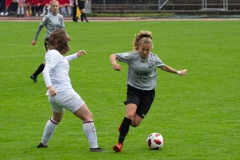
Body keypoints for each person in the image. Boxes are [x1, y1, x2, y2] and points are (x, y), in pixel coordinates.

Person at [109, 30, 187, 152]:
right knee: (129, 115)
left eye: (147, 50)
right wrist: (114, 63)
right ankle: (119, 144)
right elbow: (113, 55)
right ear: (138, 47)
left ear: (150, 49)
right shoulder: (132, 56)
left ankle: (124, 125)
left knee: (134, 123)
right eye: (143, 49)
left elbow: (164, 67)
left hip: (148, 94)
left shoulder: (154, 58)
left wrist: (178, 72)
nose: (145, 52)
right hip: (134, 90)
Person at [37, 28, 106, 152]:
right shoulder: (54, 54)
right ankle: (94, 147)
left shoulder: (52, 54)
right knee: (88, 116)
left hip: (54, 96)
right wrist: (50, 86)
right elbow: (46, 70)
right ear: (58, 41)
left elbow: (61, 62)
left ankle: (43, 143)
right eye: (65, 38)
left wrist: (76, 55)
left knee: (56, 118)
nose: (67, 41)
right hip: (63, 92)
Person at [30, 0, 71, 83]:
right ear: (51, 7)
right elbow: (40, 27)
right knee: (52, 59)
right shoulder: (47, 17)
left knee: (51, 60)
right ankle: (51, 78)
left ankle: (35, 75)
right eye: (53, 6)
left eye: (56, 6)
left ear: (59, 7)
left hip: (57, 41)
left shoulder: (60, 17)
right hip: (49, 41)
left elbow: (62, 29)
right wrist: (35, 39)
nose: (55, 8)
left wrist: (67, 36)